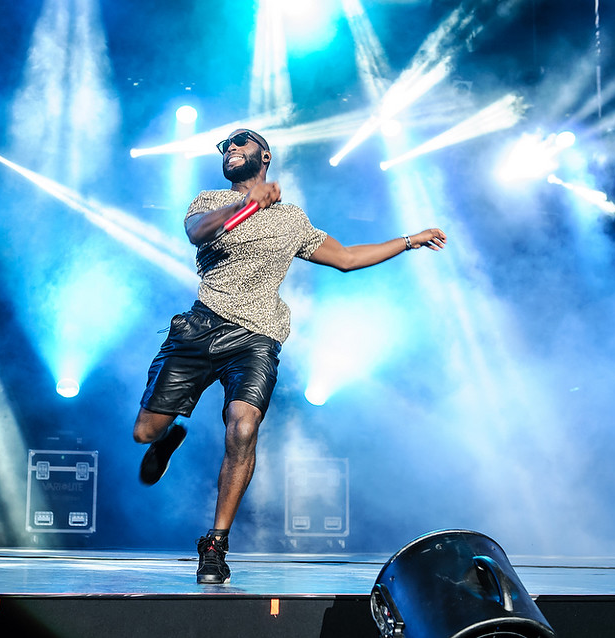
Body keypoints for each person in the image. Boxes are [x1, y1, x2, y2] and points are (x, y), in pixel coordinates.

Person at [133, 129, 446, 584]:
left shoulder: (292, 220)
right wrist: (247, 204)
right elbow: (197, 232)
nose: (231, 151)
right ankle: (167, 437)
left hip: (257, 338)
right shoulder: (209, 200)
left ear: (264, 155)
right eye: (225, 148)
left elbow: (347, 257)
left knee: (243, 427)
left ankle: (216, 543)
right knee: (144, 432)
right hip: (201, 328)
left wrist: (409, 240)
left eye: (240, 143)